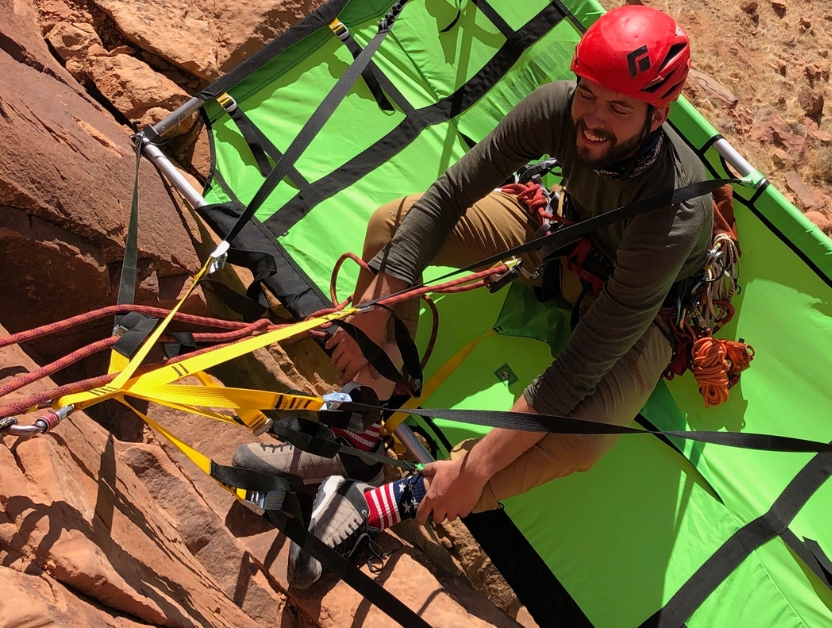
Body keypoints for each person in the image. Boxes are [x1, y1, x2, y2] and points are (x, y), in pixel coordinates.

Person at [232, 5, 712, 589]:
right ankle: (358, 429)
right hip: (565, 234)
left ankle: (387, 499)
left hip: (645, 307)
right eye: (589, 93)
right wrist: (373, 315)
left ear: (658, 114)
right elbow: (446, 199)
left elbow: (579, 368)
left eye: (619, 107)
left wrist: (476, 467)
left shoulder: (676, 211)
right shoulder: (558, 108)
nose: (592, 119)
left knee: (585, 434)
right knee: (395, 223)